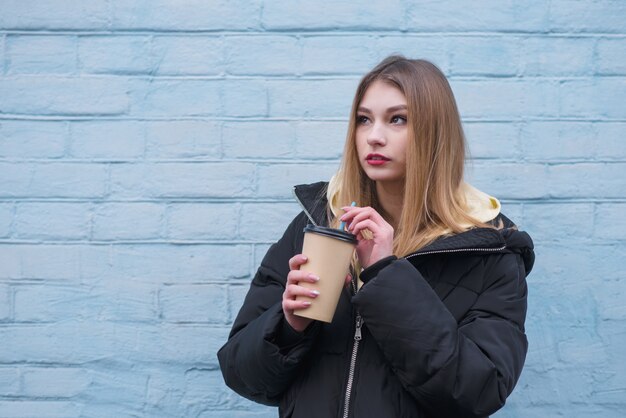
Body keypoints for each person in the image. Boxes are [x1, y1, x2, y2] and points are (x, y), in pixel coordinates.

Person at [218, 55, 534, 418]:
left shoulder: (490, 251)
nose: (374, 136)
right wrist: (288, 326)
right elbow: (241, 375)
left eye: (397, 119)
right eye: (363, 119)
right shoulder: (317, 224)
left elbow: (478, 393)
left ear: (434, 131)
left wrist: (385, 274)